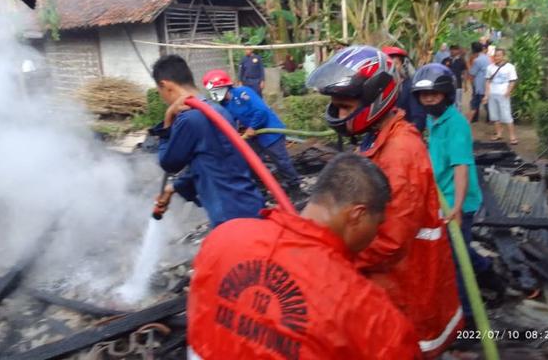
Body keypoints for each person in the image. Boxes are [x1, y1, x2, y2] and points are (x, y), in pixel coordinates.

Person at [306, 46, 462, 358]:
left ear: (375, 100)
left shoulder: (400, 151)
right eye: (335, 107)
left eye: (344, 107)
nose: (338, 115)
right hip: (394, 283)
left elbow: (390, 240)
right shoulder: (378, 137)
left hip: (407, 286)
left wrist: (331, 261)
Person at [188, 153, 422, 360]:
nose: (376, 234)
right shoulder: (369, 312)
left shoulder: (225, 237)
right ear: (357, 215)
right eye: (377, 224)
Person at [411, 63, 502, 323]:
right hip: (442, 196)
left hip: (458, 200)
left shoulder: (457, 125)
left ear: (446, 95)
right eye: (424, 95)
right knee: (457, 248)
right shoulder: (433, 119)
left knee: (455, 259)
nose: (428, 99)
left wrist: (458, 208)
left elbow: (461, 167)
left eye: (434, 94)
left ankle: (469, 318)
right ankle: (487, 271)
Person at [151, 55, 265, 227]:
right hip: (247, 205)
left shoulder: (189, 118)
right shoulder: (217, 110)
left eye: (160, 93)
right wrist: (172, 188)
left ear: (166, 86)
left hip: (230, 217)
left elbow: (168, 163)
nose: (164, 99)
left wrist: (168, 119)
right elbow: (210, 162)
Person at [203, 69, 302, 198]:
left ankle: (295, 188)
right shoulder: (226, 105)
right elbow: (230, 121)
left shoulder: (243, 93)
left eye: (215, 90)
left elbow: (261, 111)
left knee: (281, 161)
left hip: (270, 132)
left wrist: (252, 127)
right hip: (255, 136)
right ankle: (262, 190)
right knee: (251, 162)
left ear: (224, 87)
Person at [382, 46, 426, 132]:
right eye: (388, 65)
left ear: (402, 65)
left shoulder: (409, 87)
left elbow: (418, 120)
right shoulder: (380, 88)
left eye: (396, 64)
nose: (392, 68)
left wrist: (406, 135)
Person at [483, 48, 518, 145]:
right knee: (495, 116)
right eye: (495, 55)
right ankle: (499, 133)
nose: (496, 57)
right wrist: (486, 95)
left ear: (503, 56)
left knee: (507, 115)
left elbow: (512, 81)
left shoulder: (510, 67)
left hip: (503, 95)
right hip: (492, 94)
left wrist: (508, 91)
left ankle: (512, 136)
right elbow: (487, 81)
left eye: (499, 55)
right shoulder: (490, 67)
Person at [467, 42, 491, 123]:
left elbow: (472, 73)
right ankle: (491, 119)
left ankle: (469, 121)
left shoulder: (477, 60)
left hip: (479, 86)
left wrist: (468, 65)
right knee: (485, 104)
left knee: (475, 104)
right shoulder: (487, 58)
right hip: (487, 85)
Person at [447, 45, 467, 112]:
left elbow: (464, 72)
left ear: (458, 51)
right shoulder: (446, 60)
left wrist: (465, 84)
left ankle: (458, 116)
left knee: (458, 102)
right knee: (448, 101)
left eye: (455, 49)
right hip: (447, 85)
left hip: (458, 85)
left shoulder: (461, 61)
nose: (453, 51)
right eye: (451, 49)